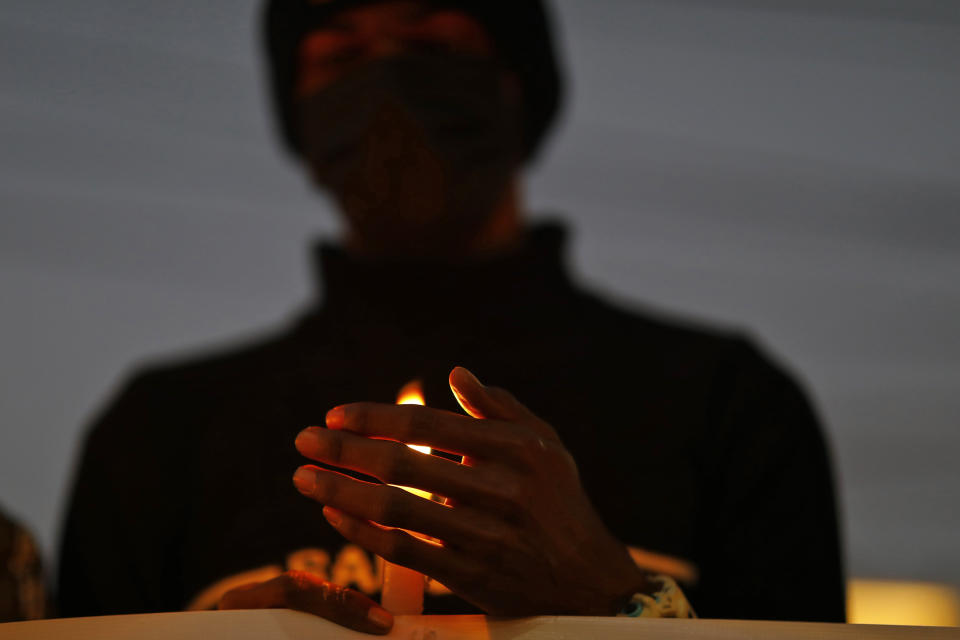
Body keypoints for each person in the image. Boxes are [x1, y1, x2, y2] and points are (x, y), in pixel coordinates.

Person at [57, 0, 846, 634]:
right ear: (300, 115)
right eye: (340, 56)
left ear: (515, 85)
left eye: (430, 41)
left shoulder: (723, 402)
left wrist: (618, 602)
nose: (386, 80)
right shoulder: (163, 428)